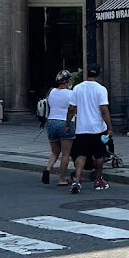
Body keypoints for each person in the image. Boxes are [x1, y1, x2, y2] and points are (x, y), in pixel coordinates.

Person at [66, 64, 112, 193]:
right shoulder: (101, 89)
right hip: (97, 128)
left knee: (81, 155)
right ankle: (97, 180)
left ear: (87, 73)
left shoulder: (77, 88)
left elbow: (71, 109)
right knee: (99, 155)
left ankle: (77, 178)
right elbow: (104, 110)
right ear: (98, 75)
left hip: (82, 127)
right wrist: (109, 128)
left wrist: (67, 124)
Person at [42, 70, 76, 186]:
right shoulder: (71, 94)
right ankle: (62, 179)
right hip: (64, 123)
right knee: (65, 153)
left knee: (55, 151)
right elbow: (73, 109)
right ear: (68, 81)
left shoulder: (51, 92)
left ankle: (48, 168)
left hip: (51, 122)